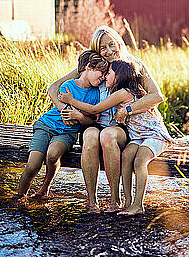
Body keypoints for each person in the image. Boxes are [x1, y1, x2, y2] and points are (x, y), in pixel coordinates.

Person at [48, 26, 164, 212]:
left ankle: (114, 200)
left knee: (108, 136)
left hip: (121, 127)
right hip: (92, 121)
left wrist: (127, 109)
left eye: (112, 45)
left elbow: (156, 97)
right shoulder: (95, 67)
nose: (109, 51)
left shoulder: (133, 66)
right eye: (103, 48)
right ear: (96, 50)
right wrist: (65, 110)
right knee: (91, 137)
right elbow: (54, 87)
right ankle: (91, 201)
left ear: (119, 43)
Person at [58, 60, 174, 215]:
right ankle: (127, 202)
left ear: (118, 76)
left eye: (109, 73)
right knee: (126, 156)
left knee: (139, 161)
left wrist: (71, 101)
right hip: (138, 136)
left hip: (154, 135)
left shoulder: (122, 93)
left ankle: (138, 204)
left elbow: (94, 109)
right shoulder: (123, 92)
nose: (106, 77)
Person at [15, 50, 108, 203]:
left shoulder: (96, 94)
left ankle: (45, 188)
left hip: (67, 134)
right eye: (101, 72)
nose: (103, 78)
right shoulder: (68, 85)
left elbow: (91, 120)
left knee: (52, 154)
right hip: (46, 126)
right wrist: (82, 114)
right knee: (33, 164)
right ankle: (19, 198)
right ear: (89, 67)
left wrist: (79, 116)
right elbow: (67, 117)